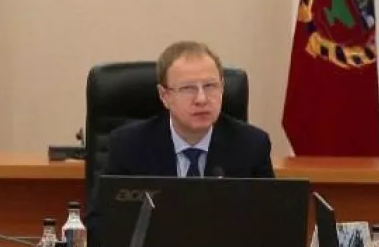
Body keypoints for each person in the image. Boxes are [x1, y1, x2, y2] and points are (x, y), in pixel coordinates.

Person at [102, 41, 275, 181]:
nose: (201, 99)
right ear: (165, 96)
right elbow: (103, 213)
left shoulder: (252, 146)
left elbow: (269, 212)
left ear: (222, 88)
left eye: (210, 86)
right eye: (188, 88)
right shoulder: (128, 146)